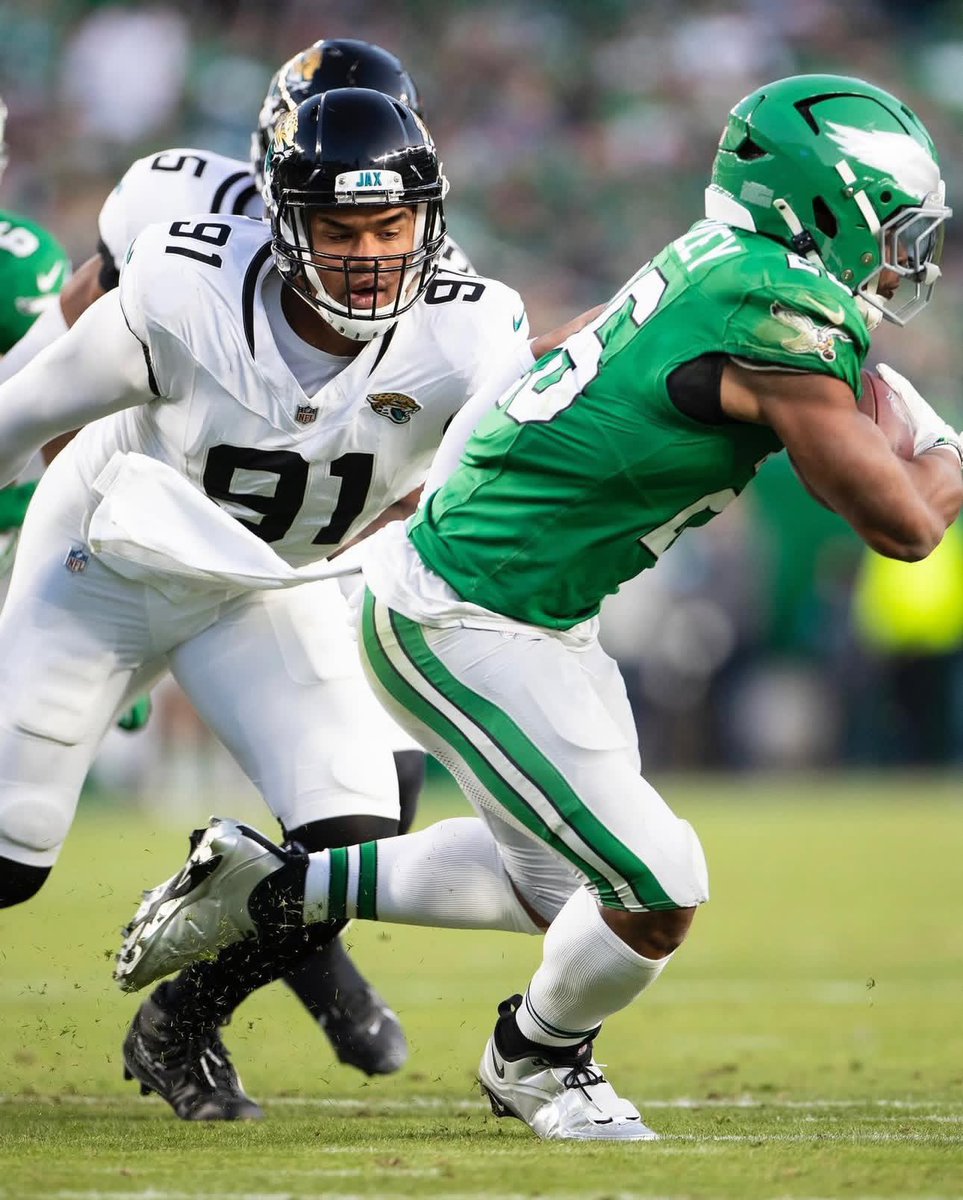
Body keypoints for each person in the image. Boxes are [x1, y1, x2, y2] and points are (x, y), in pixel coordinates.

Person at [114, 74, 963, 1142]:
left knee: (558, 892)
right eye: (891, 228)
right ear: (824, 209)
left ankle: (273, 889)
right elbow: (905, 525)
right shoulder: (775, 311)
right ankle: (538, 1059)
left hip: (527, 611)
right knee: (654, 886)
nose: (902, 257)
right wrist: (945, 446)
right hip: (469, 616)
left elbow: (567, 349)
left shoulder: (718, 261)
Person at [0, 88, 566, 1121]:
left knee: (349, 849)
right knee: (10, 856)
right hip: (104, 560)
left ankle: (181, 1024)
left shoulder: (470, 329)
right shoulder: (186, 290)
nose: (368, 255)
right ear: (282, 221)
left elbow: (493, 487)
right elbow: (17, 417)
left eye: (389, 227)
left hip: (260, 587)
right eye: (339, 230)